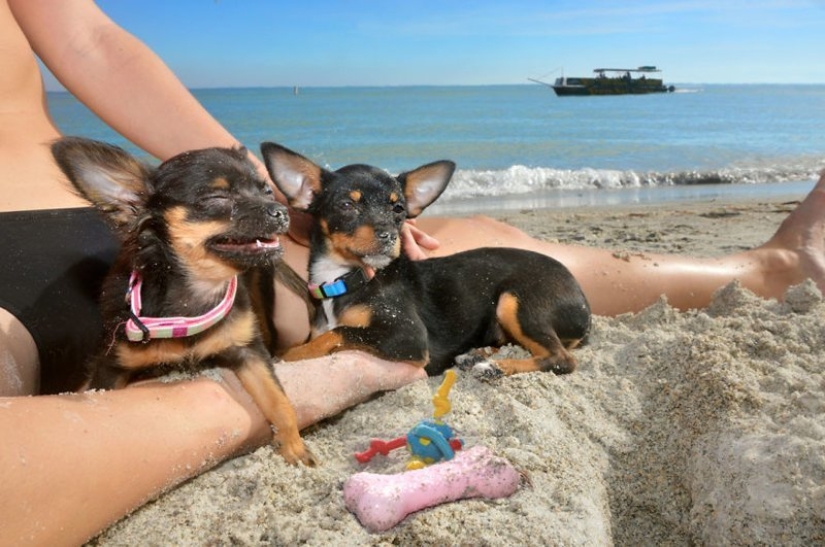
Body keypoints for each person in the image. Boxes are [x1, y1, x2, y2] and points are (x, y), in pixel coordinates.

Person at [1, 0, 823, 545]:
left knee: (471, 245)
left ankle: (765, 267)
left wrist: (259, 190)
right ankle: (284, 394)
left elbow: (91, 41)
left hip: (163, 227)